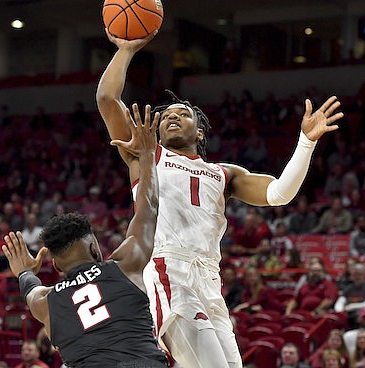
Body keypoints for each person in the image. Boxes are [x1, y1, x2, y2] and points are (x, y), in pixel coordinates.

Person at [96, 30, 343, 368]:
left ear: (199, 130)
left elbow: (279, 193)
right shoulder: (145, 154)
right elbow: (108, 100)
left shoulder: (225, 174)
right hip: (169, 268)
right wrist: (125, 50)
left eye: (182, 113)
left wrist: (306, 141)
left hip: (210, 280)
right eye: (167, 114)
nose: (171, 116)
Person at [2, 104, 168, 368]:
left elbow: (29, 289)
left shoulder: (46, 302)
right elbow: (149, 206)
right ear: (94, 248)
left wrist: (25, 271)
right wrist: (148, 154)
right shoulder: (125, 265)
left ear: (55, 265)